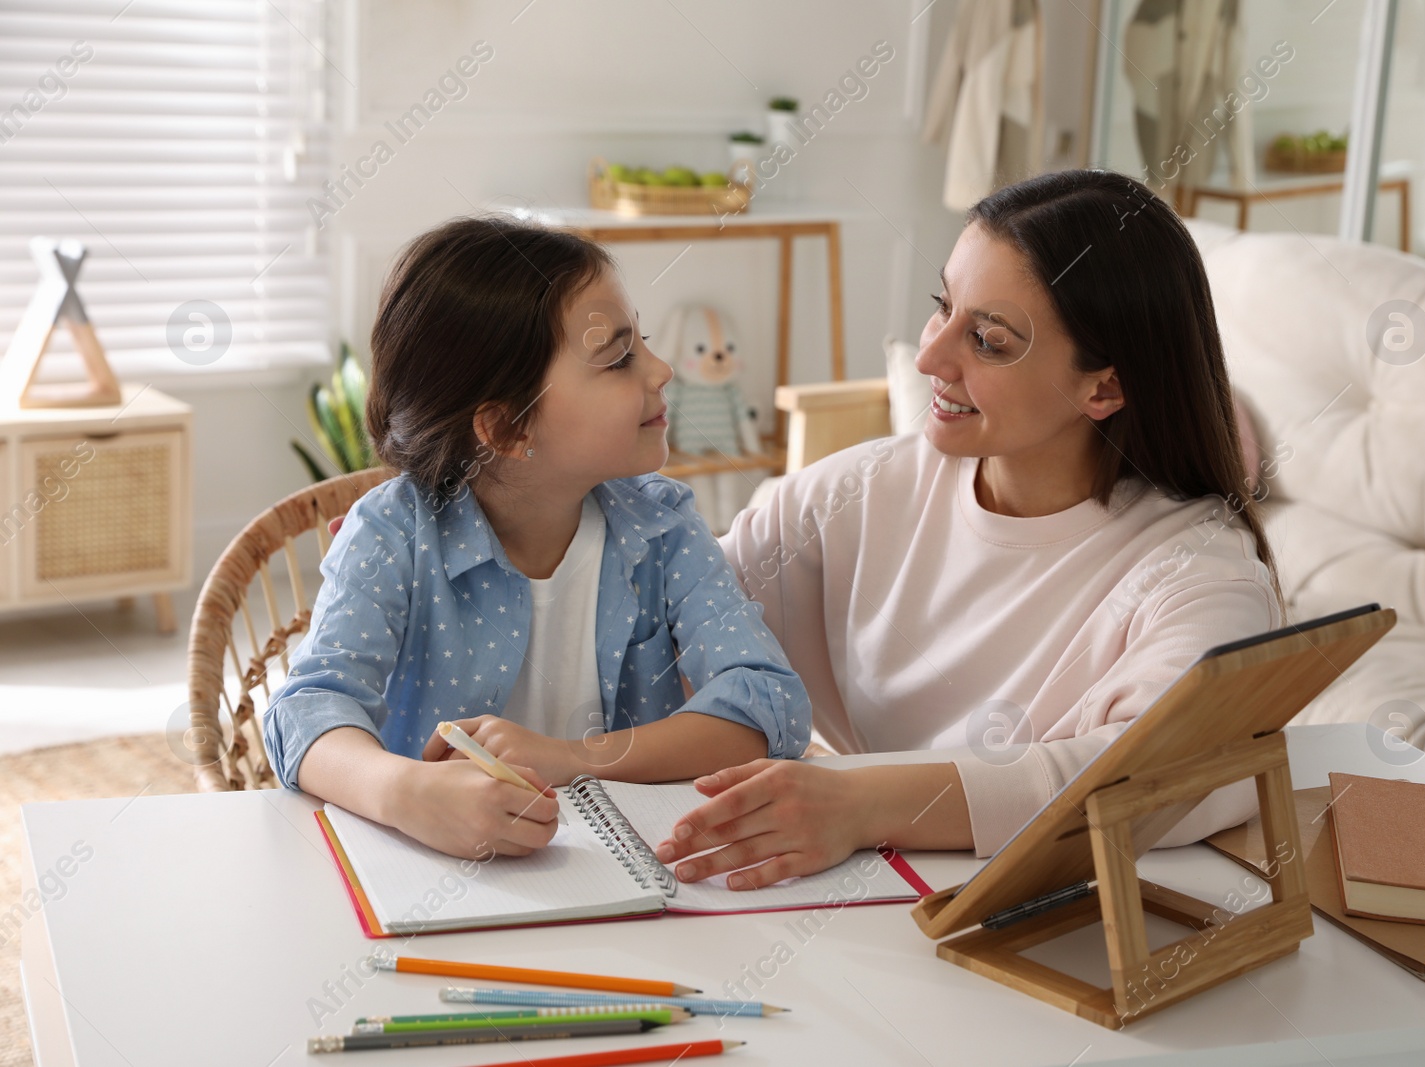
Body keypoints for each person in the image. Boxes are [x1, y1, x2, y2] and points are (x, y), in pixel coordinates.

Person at [653, 169, 1286, 891]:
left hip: (1030, 920)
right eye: (942, 308)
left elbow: (1173, 772)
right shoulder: (864, 490)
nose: (929, 357)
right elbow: (665, 621)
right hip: (853, 892)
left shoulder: (1199, 570)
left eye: (986, 339)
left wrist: (861, 802)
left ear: (1103, 387)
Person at [262, 216, 811, 862]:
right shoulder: (393, 535)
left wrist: (571, 758)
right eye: (619, 357)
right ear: (506, 428)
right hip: (442, 877)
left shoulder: (662, 524)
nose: (661, 370)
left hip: (628, 873)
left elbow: (768, 702)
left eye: (646, 342)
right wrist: (410, 791)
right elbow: (305, 713)